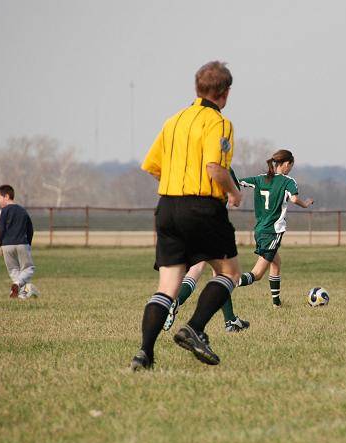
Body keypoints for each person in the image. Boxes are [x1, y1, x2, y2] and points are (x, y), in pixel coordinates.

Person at [130, 60, 243, 371]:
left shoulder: (173, 121)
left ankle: (144, 354)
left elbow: (153, 166)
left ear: (197, 88)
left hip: (167, 207)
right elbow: (215, 169)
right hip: (203, 207)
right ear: (225, 92)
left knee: (166, 286)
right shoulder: (219, 123)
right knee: (229, 273)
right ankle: (194, 327)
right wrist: (233, 193)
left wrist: (176, 185)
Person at [162, 168, 251, 333]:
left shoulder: (191, 163)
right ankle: (228, 321)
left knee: (197, 267)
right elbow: (235, 197)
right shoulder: (221, 166)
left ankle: (230, 319)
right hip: (211, 221)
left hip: (185, 218)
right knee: (224, 273)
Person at [235, 149, 314, 307]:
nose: (290, 168)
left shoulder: (259, 179)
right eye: (291, 165)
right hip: (273, 232)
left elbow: (238, 182)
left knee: (276, 262)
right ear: (286, 164)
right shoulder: (288, 181)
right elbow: (294, 199)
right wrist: (305, 204)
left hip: (259, 230)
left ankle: (276, 303)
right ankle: (225, 284)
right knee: (256, 275)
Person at [0, 184, 39, 299]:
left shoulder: (3, 211)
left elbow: (1, 228)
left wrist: (0, 245)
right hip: (21, 243)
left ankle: (20, 292)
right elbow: (30, 229)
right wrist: (28, 243)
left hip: (6, 245)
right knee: (28, 268)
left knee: (13, 269)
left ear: (7, 196)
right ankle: (19, 287)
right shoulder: (23, 211)